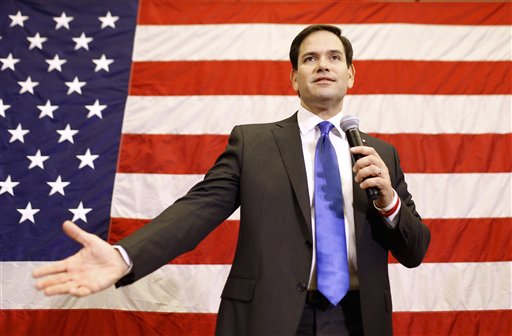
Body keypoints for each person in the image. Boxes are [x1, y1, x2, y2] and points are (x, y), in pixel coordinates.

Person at [33, 24, 430, 335]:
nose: (323, 65)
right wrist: (125, 256)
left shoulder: (381, 155)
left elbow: (415, 251)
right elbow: (196, 210)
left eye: (333, 57)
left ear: (351, 74)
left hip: (357, 321)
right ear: (294, 79)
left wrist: (388, 202)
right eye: (309, 59)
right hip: (267, 319)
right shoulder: (253, 143)